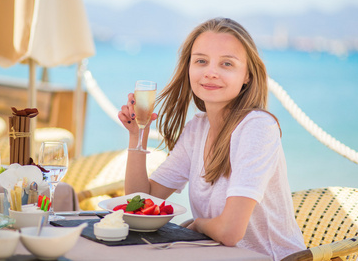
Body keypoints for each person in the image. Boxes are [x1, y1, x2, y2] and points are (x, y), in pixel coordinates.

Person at [118, 17, 306, 260]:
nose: (211, 73)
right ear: (188, 67)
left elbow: (229, 232)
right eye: (201, 61)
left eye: (227, 64)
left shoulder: (258, 127)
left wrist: (198, 225)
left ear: (247, 75)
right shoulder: (197, 129)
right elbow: (141, 201)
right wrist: (137, 135)